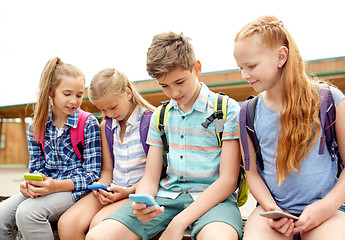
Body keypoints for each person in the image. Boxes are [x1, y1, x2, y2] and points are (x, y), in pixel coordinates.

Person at [86, 32, 243, 240]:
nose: (174, 93)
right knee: (98, 236)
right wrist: (143, 201)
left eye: (180, 82)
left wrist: (178, 222)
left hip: (215, 201)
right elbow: (150, 177)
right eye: (164, 86)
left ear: (196, 68)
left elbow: (228, 180)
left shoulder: (225, 109)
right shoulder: (160, 116)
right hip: (165, 198)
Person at [233, 15, 345, 239]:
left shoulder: (330, 100)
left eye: (251, 66)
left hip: (330, 212)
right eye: (241, 67)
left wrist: (326, 207)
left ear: (281, 56)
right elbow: (252, 173)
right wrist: (272, 209)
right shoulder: (247, 113)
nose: (245, 75)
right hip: (272, 212)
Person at [0, 57, 102, 240]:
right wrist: (30, 185)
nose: (74, 101)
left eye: (79, 95)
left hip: (74, 190)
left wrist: (56, 186)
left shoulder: (88, 123)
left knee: (28, 214)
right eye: (67, 94)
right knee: (1, 215)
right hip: (47, 188)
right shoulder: (36, 126)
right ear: (50, 92)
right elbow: (36, 167)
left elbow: (92, 174)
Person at [58, 68, 155, 240]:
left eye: (112, 107)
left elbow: (157, 173)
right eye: (102, 110)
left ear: (128, 93)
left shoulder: (150, 121)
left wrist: (125, 192)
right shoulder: (106, 127)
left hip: (137, 192)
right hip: (112, 190)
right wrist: (101, 189)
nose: (109, 114)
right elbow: (107, 170)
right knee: (67, 224)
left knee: (98, 224)